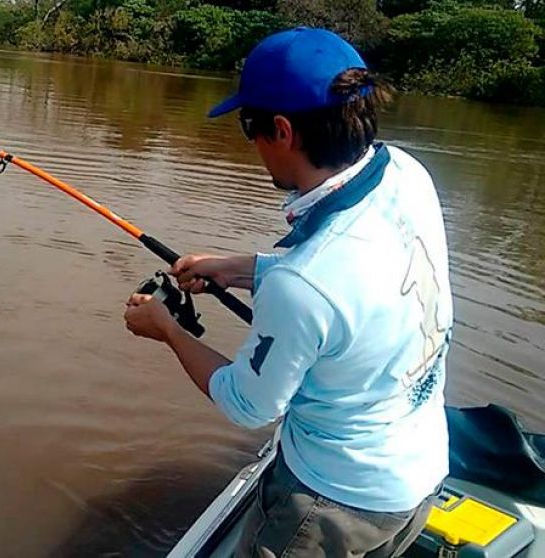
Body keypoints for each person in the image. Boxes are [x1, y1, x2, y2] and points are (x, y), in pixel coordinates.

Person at [123, 27, 453, 557]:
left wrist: (166, 328)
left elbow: (247, 404)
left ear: (281, 130)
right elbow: (358, 278)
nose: (250, 143)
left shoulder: (302, 285)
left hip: (331, 504)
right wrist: (242, 268)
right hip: (420, 474)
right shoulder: (408, 175)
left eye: (247, 126)